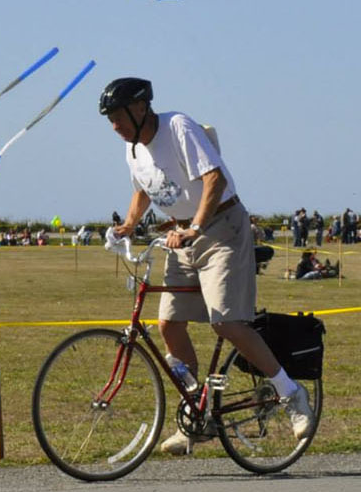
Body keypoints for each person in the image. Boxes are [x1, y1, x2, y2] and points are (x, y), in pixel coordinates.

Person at [100, 76, 314, 454]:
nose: (114, 125)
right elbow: (142, 191)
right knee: (169, 323)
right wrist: (128, 226)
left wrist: (196, 227)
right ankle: (195, 415)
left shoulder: (178, 127)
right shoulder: (132, 150)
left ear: (140, 108)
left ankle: (291, 393)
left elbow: (214, 179)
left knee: (226, 322)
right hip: (181, 237)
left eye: (118, 116)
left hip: (221, 227)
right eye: (110, 119)